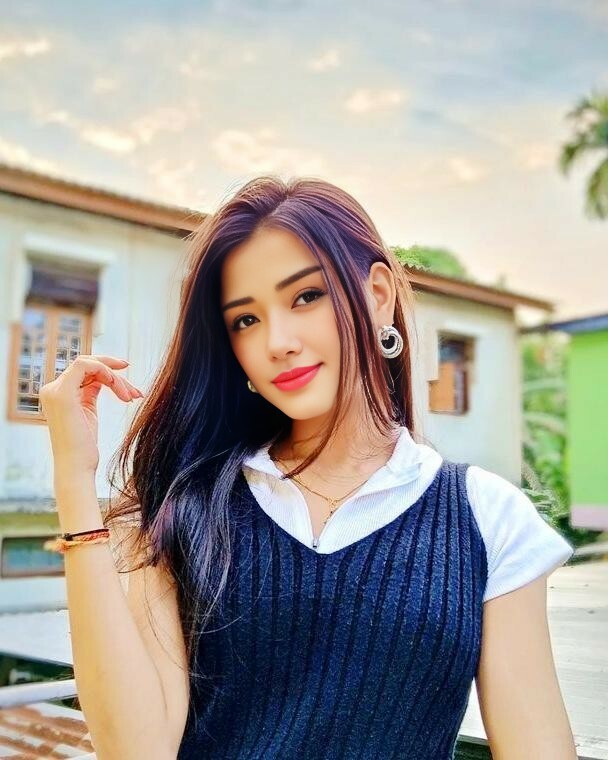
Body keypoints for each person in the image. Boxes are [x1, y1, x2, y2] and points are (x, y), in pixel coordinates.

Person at [41, 175, 577, 759]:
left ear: (378, 295)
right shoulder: (188, 504)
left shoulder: (487, 520)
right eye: (245, 320)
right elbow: (136, 751)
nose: (278, 341)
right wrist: (74, 478)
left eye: (305, 296)